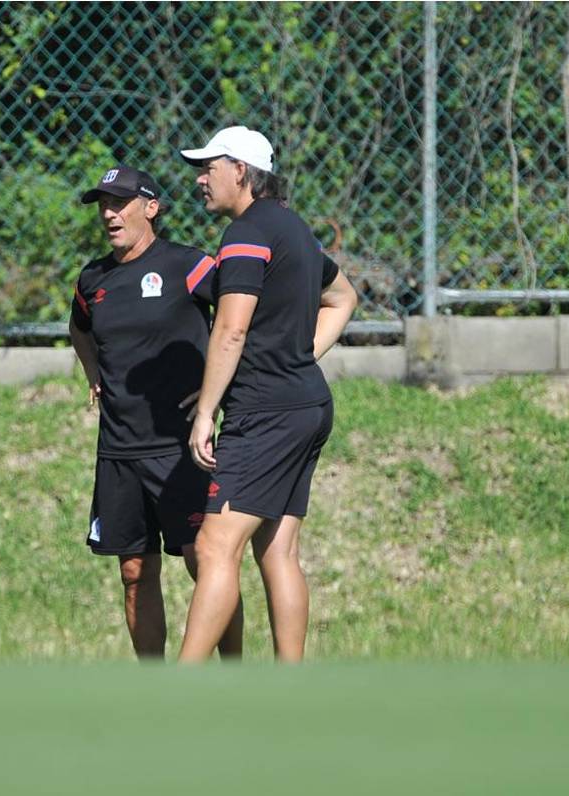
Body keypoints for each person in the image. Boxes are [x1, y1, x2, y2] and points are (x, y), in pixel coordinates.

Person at [175, 127, 357, 663]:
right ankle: (288, 688)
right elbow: (344, 298)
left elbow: (230, 330)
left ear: (241, 170)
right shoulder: (297, 230)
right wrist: (298, 356)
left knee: (213, 546)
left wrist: (205, 411)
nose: (200, 179)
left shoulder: (247, 234)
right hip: (306, 405)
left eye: (209, 167)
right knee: (277, 550)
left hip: (267, 413)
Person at [69, 165, 243, 660]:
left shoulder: (188, 265)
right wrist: (93, 374)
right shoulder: (93, 278)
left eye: (120, 202)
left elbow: (242, 316)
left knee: (205, 562)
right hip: (120, 449)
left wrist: (217, 388)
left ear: (151, 208)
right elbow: (79, 328)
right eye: (103, 203)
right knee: (134, 572)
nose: (109, 213)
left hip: (182, 446)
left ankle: (235, 676)